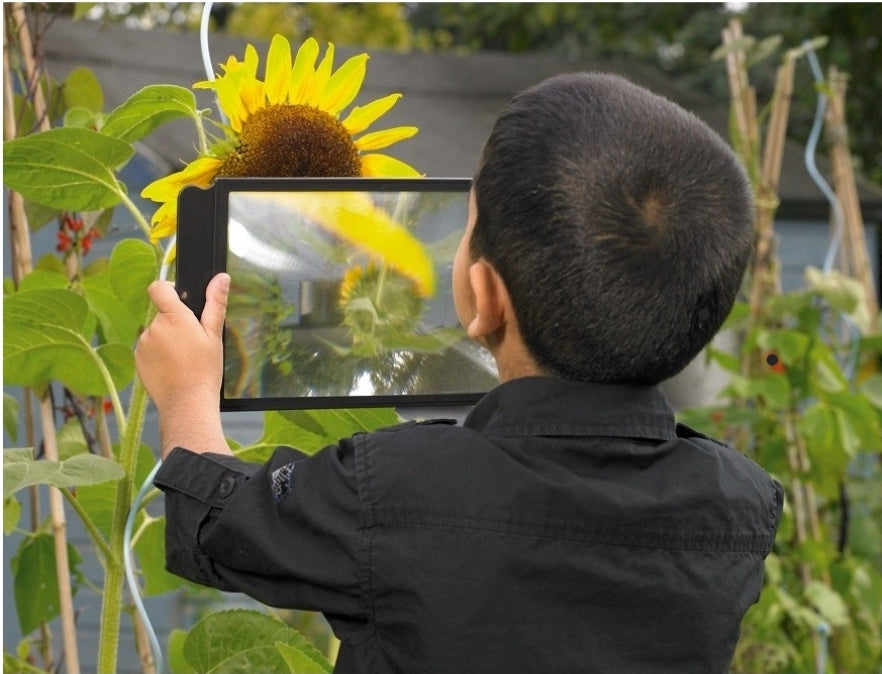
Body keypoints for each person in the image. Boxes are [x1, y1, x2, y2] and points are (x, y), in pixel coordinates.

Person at [136, 72, 784, 673]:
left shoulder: (390, 492)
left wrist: (188, 391)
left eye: (466, 223)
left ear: (485, 295)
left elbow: (220, 522)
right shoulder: (739, 505)